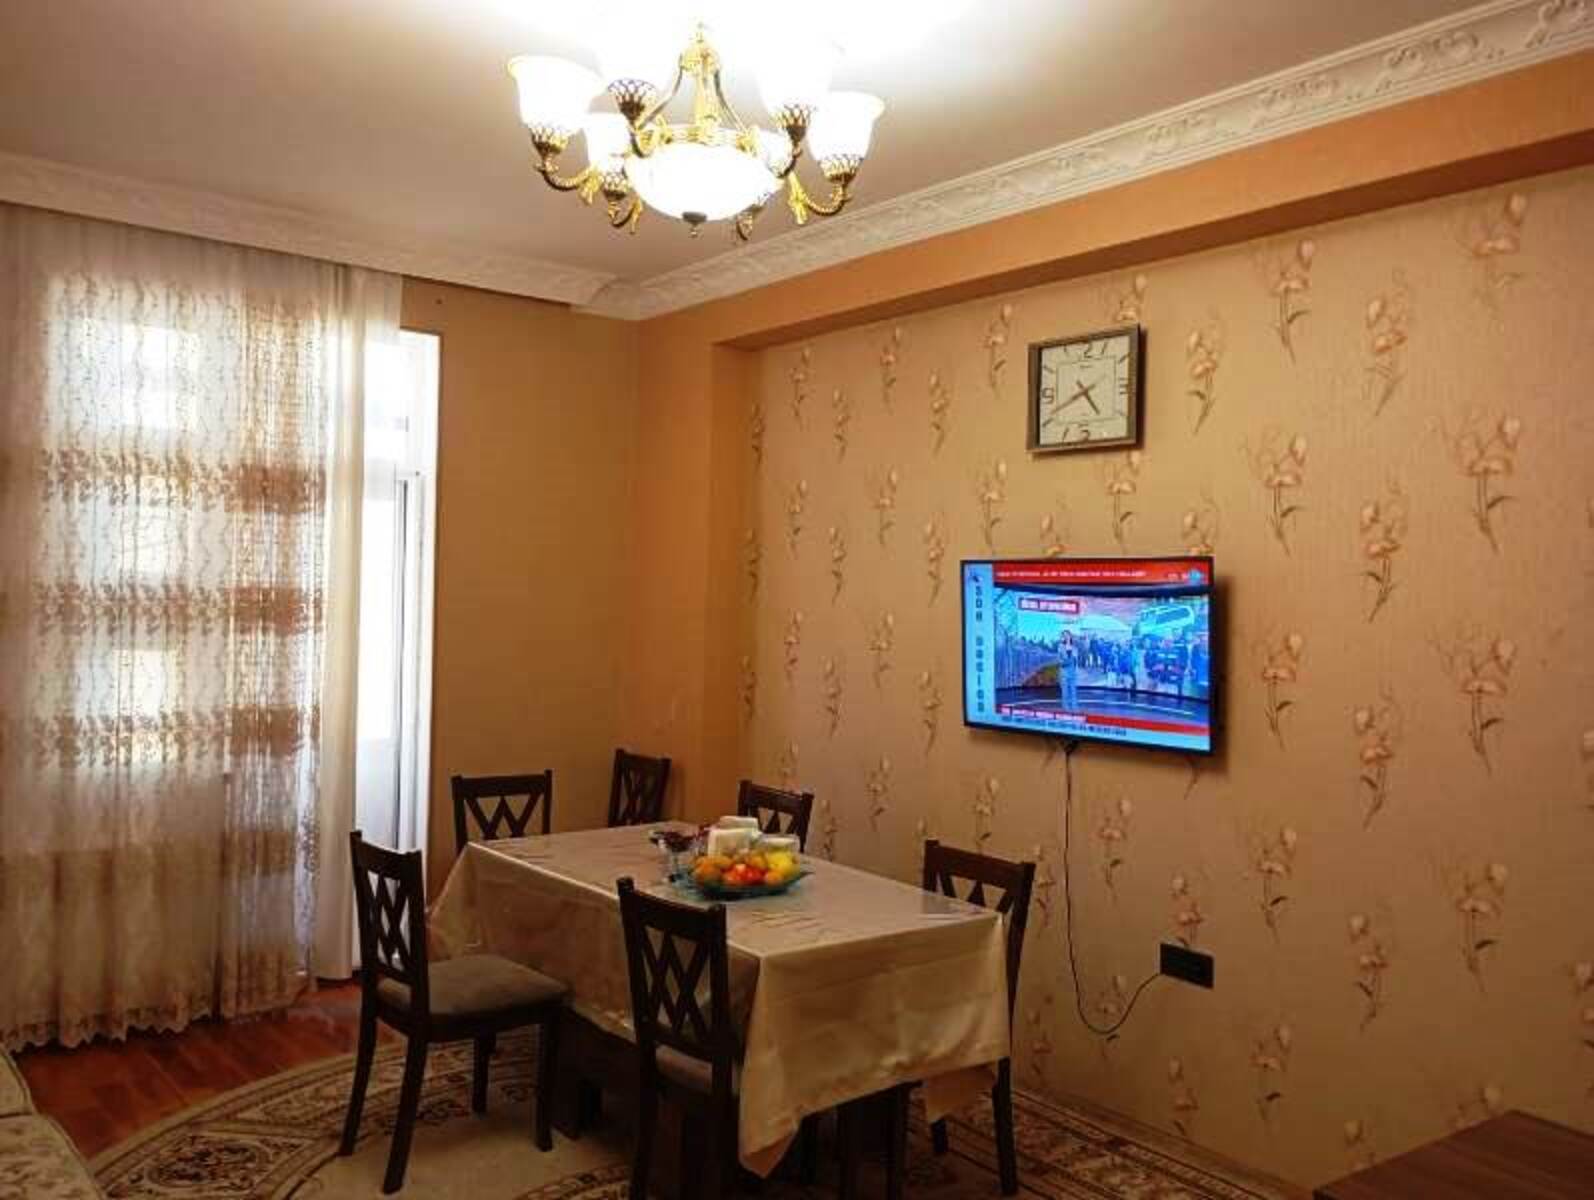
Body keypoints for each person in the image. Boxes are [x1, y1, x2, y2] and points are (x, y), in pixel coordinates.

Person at [1059, 631, 1080, 712]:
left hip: (1073, 671)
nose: (1066, 637)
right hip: (1064, 671)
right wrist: (1065, 662)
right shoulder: (1060, 647)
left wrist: (1074, 660)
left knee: (1073, 692)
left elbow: (1076, 660)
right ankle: (1066, 709)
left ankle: (1075, 708)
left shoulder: (1074, 647)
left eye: (1068, 635)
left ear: (1070, 636)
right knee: (1065, 692)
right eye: (1064, 635)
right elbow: (1059, 660)